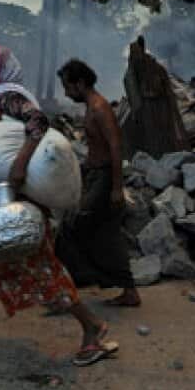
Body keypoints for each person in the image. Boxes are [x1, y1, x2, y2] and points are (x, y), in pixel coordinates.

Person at [0, 46, 117, 367]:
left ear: (1, 72)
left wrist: (19, 165)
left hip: (20, 206)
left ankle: (93, 328)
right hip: (5, 203)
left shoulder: (9, 97)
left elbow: (38, 122)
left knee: (44, 270)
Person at [56, 58, 139, 307]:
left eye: (68, 87)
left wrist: (116, 187)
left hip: (104, 177)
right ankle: (126, 289)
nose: (67, 94)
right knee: (105, 233)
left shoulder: (100, 108)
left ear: (80, 84)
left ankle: (71, 287)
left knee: (74, 226)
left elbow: (115, 147)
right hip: (95, 175)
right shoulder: (91, 107)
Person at [122, 37, 189, 158]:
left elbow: (162, 90)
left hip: (158, 110)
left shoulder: (154, 68)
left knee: (162, 139)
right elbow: (132, 90)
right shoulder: (137, 69)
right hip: (150, 111)